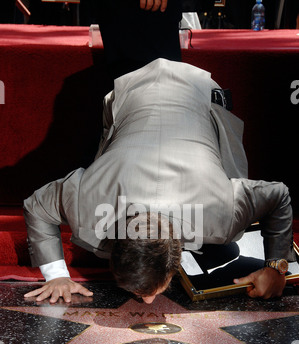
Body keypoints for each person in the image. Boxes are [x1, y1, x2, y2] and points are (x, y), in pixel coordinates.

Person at [23, 0, 296, 305]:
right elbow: (36, 206)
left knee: (230, 176)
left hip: (198, 92)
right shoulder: (87, 199)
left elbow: (278, 196)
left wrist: (277, 268)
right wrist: (57, 274)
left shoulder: (223, 209)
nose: (148, 302)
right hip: (130, 91)